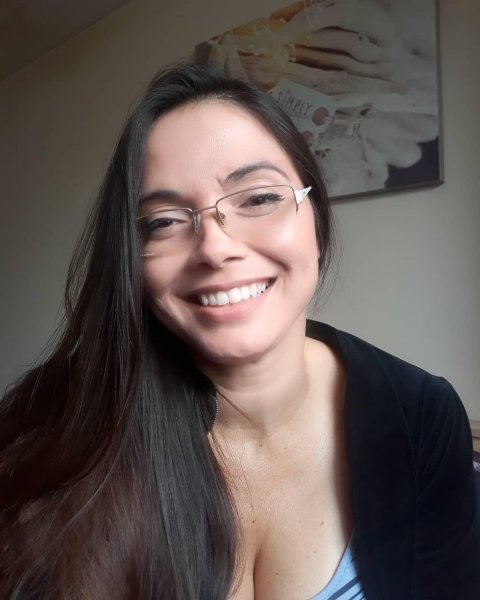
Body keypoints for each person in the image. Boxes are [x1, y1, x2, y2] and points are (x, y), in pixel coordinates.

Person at [0, 63, 478, 600]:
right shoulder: (55, 424)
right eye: (163, 221)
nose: (215, 247)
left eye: (258, 198)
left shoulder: (422, 417)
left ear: (315, 215)